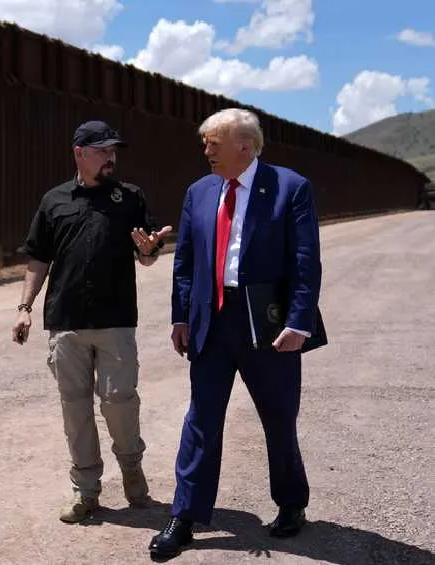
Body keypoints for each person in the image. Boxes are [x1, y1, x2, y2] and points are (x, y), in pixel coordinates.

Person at [149, 108, 327, 559]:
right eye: (205, 142)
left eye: (214, 142)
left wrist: (299, 321)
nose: (205, 150)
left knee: (278, 417)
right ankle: (185, 516)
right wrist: (180, 317)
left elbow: (305, 263)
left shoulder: (290, 188)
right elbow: (185, 261)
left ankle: (291, 505)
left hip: (268, 324)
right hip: (213, 321)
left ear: (244, 147)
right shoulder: (199, 192)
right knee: (201, 420)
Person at [13, 120, 172, 523]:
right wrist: (25, 307)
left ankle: (134, 479)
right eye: (103, 151)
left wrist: (150, 251)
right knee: (76, 411)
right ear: (80, 153)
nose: (111, 158)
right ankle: (86, 492)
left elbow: (147, 255)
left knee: (120, 405)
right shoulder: (54, 201)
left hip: (116, 321)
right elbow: (38, 258)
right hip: (65, 324)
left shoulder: (130, 198)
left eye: (113, 151)